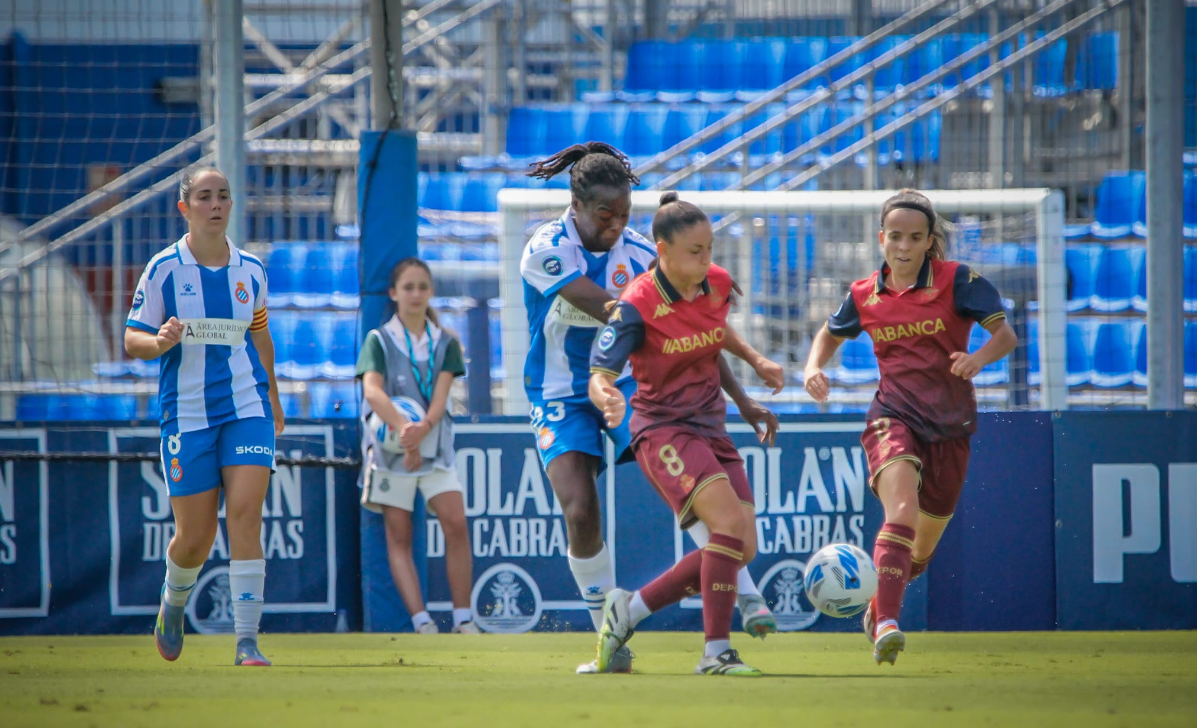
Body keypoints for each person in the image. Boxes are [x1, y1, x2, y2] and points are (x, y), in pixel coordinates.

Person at [519, 142, 784, 673]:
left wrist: (743, 391)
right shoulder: (545, 248)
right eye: (605, 216)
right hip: (563, 392)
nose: (617, 225)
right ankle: (610, 632)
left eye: (625, 215)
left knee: (693, 497)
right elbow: (612, 310)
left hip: (633, 390)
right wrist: (658, 305)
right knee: (579, 508)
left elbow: (695, 335)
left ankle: (737, 590)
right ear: (578, 205)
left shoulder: (641, 251)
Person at [802, 189, 1017, 666]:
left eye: (914, 238)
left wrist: (976, 359)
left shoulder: (958, 281)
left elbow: (1005, 335)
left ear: (927, 241)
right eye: (895, 236)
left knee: (920, 552)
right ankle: (888, 625)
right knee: (899, 511)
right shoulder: (864, 293)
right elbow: (829, 334)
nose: (903, 246)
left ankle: (878, 607)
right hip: (892, 416)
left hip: (951, 426)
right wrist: (813, 367)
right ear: (882, 238)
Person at [590, 193, 771, 676]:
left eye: (711, 248)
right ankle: (716, 653)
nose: (707, 259)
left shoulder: (717, 284)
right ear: (662, 251)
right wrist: (606, 395)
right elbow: (600, 371)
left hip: (711, 426)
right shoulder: (636, 305)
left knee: (740, 549)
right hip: (662, 431)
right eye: (696, 251)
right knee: (728, 531)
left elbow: (714, 338)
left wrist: (750, 381)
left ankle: (627, 612)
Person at [125, 165, 284, 667]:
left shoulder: (251, 270)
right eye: (205, 197)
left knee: (245, 514)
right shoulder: (163, 269)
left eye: (223, 195)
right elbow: (133, 339)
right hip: (187, 413)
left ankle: (246, 641)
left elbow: (259, 335)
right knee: (195, 538)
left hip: (247, 406)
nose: (216, 204)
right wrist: (159, 341)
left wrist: (274, 396)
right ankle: (172, 605)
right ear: (185, 208)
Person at [357, 258, 478, 635]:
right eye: (408, 287)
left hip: (435, 448)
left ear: (431, 292)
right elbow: (372, 391)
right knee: (399, 534)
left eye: (422, 287)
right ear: (393, 294)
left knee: (456, 523)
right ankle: (421, 621)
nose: (416, 294)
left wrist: (422, 429)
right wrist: (403, 430)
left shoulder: (446, 342)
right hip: (392, 453)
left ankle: (463, 619)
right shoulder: (379, 339)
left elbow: (441, 398)